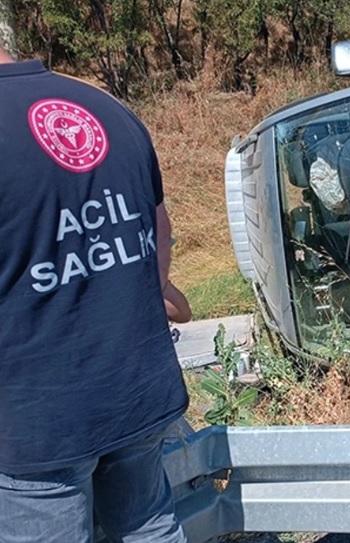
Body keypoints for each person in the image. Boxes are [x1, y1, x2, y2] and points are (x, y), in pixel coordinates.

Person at [0, 44, 189, 542]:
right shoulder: (105, 106)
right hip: (138, 390)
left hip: (37, 425)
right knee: (151, 527)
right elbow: (158, 231)